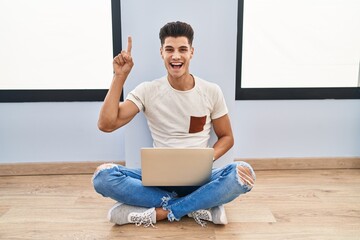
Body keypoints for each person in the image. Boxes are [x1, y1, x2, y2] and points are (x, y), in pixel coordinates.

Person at [92, 21, 255, 227]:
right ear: (161, 53)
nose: (176, 56)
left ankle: (160, 211)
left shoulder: (211, 91)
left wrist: (206, 159)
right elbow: (106, 124)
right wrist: (119, 76)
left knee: (243, 172)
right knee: (103, 177)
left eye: (182, 49)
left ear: (191, 52)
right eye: (169, 49)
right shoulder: (147, 90)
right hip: (158, 179)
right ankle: (200, 205)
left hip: (199, 179)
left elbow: (227, 137)